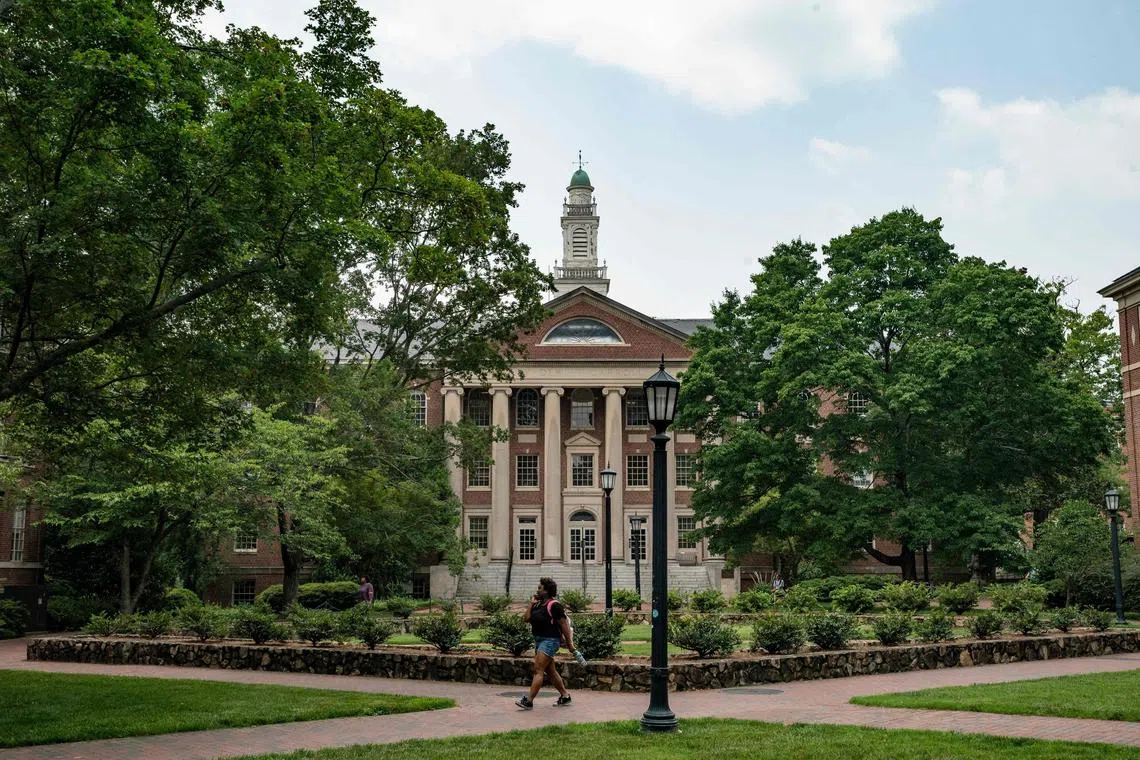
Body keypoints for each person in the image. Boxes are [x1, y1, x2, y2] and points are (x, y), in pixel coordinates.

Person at [516, 577, 578, 709]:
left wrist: (570, 644)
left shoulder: (555, 606)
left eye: (540, 588)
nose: (537, 590)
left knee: (538, 670)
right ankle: (565, 696)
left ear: (547, 591)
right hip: (539, 640)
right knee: (550, 671)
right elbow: (526, 619)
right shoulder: (538, 604)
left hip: (550, 641)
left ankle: (529, 701)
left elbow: (564, 625)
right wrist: (531, 604)